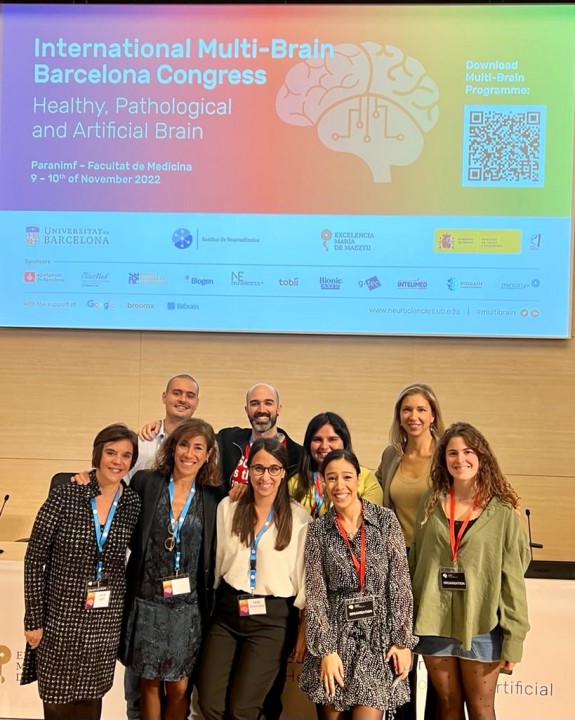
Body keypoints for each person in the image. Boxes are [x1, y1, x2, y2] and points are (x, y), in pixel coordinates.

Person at [409, 422, 530, 720]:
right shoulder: (430, 503)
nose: (460, 459)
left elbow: (512, 580)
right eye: (452, 453)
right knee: (446, 706)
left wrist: (514, 640)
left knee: (480, 708)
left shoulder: (503, 512)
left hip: (481, 625)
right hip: (434, 624)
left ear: (482, 456)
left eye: (467, 451)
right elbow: (416, 565)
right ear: (443, 460)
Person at [21, 424, 141, 720]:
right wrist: (34, 619)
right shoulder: (66, 495)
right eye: (111, 452)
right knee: (57, 700)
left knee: (91, 701)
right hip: (60, 616)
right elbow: (35, 559)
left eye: (126, 455)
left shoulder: (132, 503)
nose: (117, 461)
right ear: (97, 454)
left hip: (104, 621)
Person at [197, 438, 311, 720]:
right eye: (258, 468)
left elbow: (305, 580)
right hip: (226, 612)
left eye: (273, 469)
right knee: (210, 704)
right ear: (248, 470)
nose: (265, 476)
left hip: (271, 620)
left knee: (242, 710)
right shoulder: (229, 508)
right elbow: (219, 560)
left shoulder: (299, 518)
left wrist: (303, 632)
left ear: (284, 472)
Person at [299, 448, 417, 720]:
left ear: (358, 479)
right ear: (323, 482)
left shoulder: (385, 520)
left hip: (378, 640)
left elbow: (399, 583)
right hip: (335, 639)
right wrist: (326, 650)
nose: (339, 486)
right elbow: (316, 594)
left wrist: (402, 641)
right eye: (332, 478)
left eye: (347, 477)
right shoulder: (318, 530)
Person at [120, 418, 225, 720]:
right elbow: (113, 490)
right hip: (147, 600)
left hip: (187, 608)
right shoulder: (147, 483)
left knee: (179, 688)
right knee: (149, 682)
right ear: (172, 446)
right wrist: (85, 478)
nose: (189, 453)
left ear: (207, 455)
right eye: (183, 444)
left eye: (198, 448)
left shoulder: (214, 496)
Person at [375, 383, 445, 548]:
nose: (413, 417)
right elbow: (372, 491)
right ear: (399, 416)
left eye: (421, 410)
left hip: (436, 550)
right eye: (407, 410)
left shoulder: (447, 455)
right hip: (398, 552)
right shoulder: (390, 455)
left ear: (433, 415)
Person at [289, 411, 383, 518]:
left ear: (344, 442)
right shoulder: (294, 481)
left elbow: (372, 521)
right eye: (317, 440)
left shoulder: (365, 478)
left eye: (332, 439)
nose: (324, 446)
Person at [127, 374, 200, 481]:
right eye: (176, 393)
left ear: (197, 403)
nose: (183, 399)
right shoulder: (142, 442)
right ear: (164, 397)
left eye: (190, 396)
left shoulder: (206, 446)